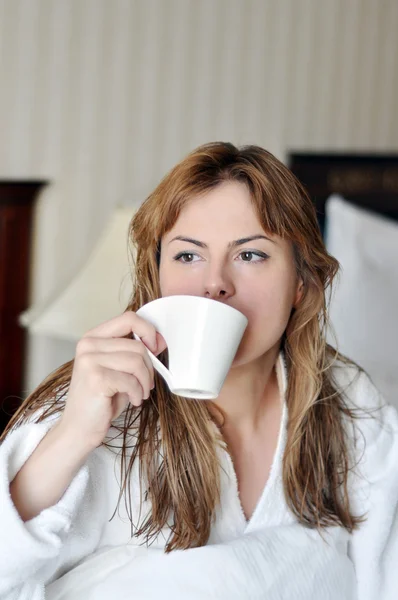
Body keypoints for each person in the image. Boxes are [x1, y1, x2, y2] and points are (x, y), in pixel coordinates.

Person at [0, 142, 397, 600]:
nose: (215, 284)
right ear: (158, 276)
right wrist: (72, 435)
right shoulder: (100, 408)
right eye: (188, 256)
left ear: (301, 286)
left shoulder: (351, 409)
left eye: (251, 255)